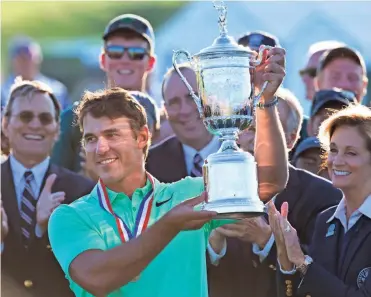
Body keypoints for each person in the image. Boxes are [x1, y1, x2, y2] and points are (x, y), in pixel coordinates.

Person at [48, 46, 289, 297]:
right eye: (90, 139)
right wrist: (170, 225)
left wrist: (265, 100)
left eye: (112, 135)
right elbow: (97, 278)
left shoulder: (188, 195)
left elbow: (268, 182)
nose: (100, 148)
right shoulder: (69, 217)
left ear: (142, 137)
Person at [207, 87, 342, 297]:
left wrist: (268, 241)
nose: (256, 138)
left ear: (290, 139)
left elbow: (323, 274)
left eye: (270, 128)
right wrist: (213, 245)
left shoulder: (324, 197)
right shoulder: (215, 189)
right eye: (250, 128)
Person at [1, 78, 94, 297]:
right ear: (5, 124)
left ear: (56, 129)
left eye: (45, 118)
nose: (35, 124)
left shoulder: (82, 192)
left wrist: (43, 230)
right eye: (25, 116)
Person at [270, 104, 371, 297]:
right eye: (333, 150)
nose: (337, 161)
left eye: (351, 153)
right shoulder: (324, 221)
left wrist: (302, 261)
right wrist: (286, 258)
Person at [147, 63, 287, 201]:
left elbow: (272, 182)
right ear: (165, 109)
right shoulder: (150, 164)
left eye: (192, 97)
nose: (185, 110)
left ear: (211, 98)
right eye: (174, 102)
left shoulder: (245, 151)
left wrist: (266, 97)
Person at [50, 14, 160, 173]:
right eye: (115, 52)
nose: (125, 59)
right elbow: (56, 182)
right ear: (103, 59)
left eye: (137, 53)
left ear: (150, 63)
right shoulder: (74, 119)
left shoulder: (167, 124)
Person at [1, 36, 70, 110]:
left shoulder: (56, 90)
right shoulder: (3, 93)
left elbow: (65, 118)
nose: (27, 63)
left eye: (31, 58)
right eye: (22, 59)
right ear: (13, 61)